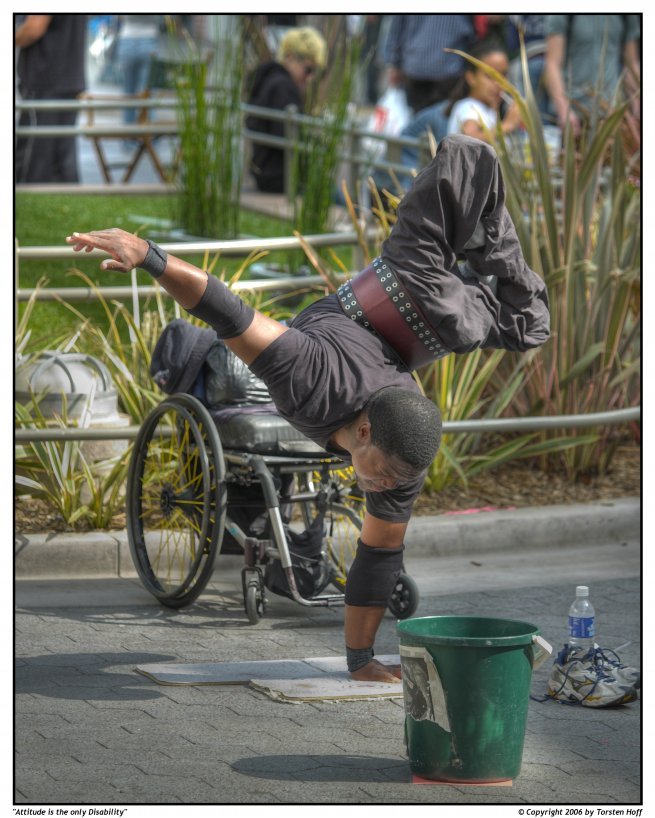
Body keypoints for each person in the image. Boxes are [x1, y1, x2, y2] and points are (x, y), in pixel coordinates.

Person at [66, 135, 550, 684]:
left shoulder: (401, 451)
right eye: (385, 472)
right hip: (406, 286)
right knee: (469, 171)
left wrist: (360, 661)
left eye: (395, 478)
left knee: (530, 324)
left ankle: (482, 235)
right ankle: (476, 206)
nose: (383, 485)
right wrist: (147, 254)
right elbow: (229, 311)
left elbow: (378, 557)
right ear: (366, 429)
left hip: (435, 315)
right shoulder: (312, 376)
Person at [246, 26, 327, 193]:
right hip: (280, 177)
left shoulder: (269, 80)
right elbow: (290, 136)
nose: (310, 78)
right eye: (308, 70)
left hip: (267, 172)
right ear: (290, 58)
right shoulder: (283, 87)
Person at [15, 14, 87, 183]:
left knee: (35, 157)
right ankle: (68, 199)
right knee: (62, 153)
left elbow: (34, 28)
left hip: (45, 76)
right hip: (69, 76)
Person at [543, 15, 641, 137]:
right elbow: (552, 64)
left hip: (612, 114)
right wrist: (563, 110)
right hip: (575, 116)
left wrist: (637, 104)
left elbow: (631, 64)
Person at [383, 15, 476, 112]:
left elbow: (396, 29)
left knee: (419, 120)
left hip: (419, 65)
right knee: (442, 120)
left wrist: (394, 62)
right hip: (448, 68)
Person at [445, 40, 523, 142]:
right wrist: (508, 125)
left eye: (503, 75)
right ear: (471, 78)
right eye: (490, 76)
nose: (498, 83)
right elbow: (469, 138)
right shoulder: (469, 107)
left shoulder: (488, 109)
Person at [115, 15, 161, 129]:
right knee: (149, 93)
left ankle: (128, 136)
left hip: (127, 37)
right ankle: (149, 138)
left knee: (128, 94)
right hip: (149, 37)